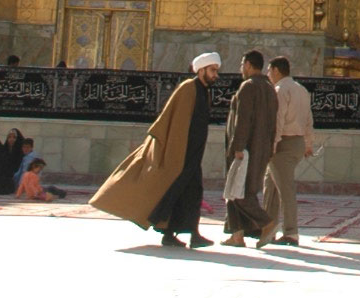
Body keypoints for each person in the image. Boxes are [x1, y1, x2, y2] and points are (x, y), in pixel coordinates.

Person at [91, 50, 222, 248]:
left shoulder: (203, 91)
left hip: (192, 155)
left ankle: (185, 234)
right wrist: (176, 153)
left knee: (190, 194)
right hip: (180, 154)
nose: (215, 75)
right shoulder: (188, 88)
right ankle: (177, 234)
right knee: (176, 193)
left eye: (216, 71)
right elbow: (174, 122)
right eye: (212, 70)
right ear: (201, 70)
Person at [223, 50, 278, 247]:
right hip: (261, 149)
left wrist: (238, 147)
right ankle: (237, 234)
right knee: (236, 190)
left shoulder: (249, 86)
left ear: (248, 65)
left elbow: (243, 120)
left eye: (242, 65)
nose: (241, 69)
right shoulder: (270, 88)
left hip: (245, 150)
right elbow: (273, 123)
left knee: (241, 193)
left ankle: (267, 223)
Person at [262, 55, 314, 246]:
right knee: (270, 186)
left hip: (284, 143)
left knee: (285, 189)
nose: (268, 74)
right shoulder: (301, 89)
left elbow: (278, 120)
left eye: (269, 70)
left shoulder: (280, 90)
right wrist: (308, 144)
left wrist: (272, 145)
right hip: (297, 142)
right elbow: (309, 120)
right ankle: (268, 229)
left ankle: (291, 232)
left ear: (276, 70)